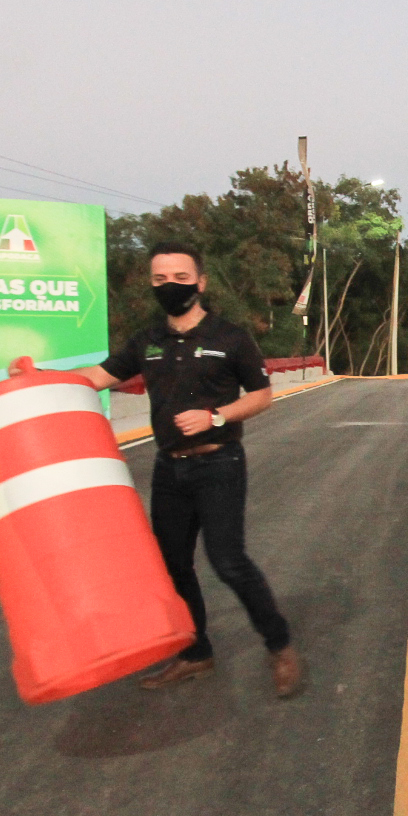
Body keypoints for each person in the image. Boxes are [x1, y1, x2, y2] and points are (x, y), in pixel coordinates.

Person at [66, 241, 303, 697]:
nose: (170, 286)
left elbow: (261, 395)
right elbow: (96, 378)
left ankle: (280, 645)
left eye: (179, 278)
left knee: (228, 561)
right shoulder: (148, 340)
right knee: (173, 566)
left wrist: (215, 416)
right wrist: (39, 377)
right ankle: (196, 654)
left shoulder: (230, 337)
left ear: (200, 282)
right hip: (168, 470)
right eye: (160, 279)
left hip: (219, 462)